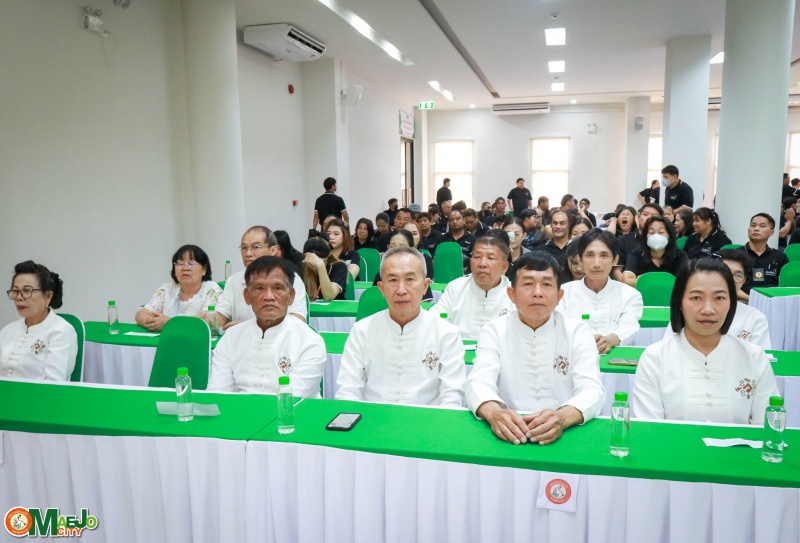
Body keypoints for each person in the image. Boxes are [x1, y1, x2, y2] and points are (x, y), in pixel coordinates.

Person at [465, 252, 605, 445]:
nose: (537, 292)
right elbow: (478, 382)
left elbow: (592, 389)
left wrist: (562, 418)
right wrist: (494, 413)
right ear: (512, 294)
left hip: (565, 434)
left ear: (559, 296)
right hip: (508, 432)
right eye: (528, 284)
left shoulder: (577, 332)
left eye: (547, 284)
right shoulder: (494, 331)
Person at [633, 257, 779, 424]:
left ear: (731, 302)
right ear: (679, 302)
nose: (708, 310)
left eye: (719, 298)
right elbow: (650, 429)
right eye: (696, 298)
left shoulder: (754, 357)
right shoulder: (654, 358)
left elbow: (768, 428)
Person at [336, 247, 466, 407]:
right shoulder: (362, 330)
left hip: (428, 419)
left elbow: (452, 397)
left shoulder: (447, 333)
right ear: (381, 288)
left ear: (425, 285)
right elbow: (348, 391)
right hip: (373, 419)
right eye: (393, 280)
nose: (401, 290)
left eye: (410, 279)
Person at [207, 257, 326, 396]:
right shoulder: (232, 337)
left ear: (291, 296)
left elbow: (291, 398)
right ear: (247, 296)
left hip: (292, 409)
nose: (269, 296)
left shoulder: (309, 341)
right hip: (238, 408)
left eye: (277, 288)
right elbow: (217, 393)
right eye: (260, 288)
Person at [663, 250, 771, 350]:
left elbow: (760, 357)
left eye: (738, 275)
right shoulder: (688, 311)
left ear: (744, 280)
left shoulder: (755, 318)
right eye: (726, 273)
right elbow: (668, 348)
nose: (731, 279)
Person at [559, 229, 644, 352]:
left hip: (615, 358)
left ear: (615, 260)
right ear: (580, 259)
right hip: (574, 354)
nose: (596, 264)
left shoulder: (630, 295)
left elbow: (630, 325)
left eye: (604, 256)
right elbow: (560, 326)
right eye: (590, 255)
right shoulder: (563, 293)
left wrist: (612, 339)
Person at [213, 227, 307, 330]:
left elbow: (298, 320)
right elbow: (220, 316)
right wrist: (206, 318)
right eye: (244, 248)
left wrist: (249, 329)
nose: (248, 253)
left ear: (273, 250)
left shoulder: (289, 278)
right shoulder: (233, 281)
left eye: (256, 247)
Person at [1, 261, 77, 380]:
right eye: (15, 291)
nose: (19, 297)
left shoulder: (61, 331)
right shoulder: (8, 330)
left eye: (27, 290)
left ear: (48, 296)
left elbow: (54, 383)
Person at [431, 237, 515, 340]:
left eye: (491, 258)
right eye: (477, 257)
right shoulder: (456, 287)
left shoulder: (514, 294)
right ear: (471, 263)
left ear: (504, 267)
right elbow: (435, 320)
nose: (482, 264)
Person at [136, 244, 222, 332]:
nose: (185, 268)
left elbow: (206, 320)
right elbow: (141, 314)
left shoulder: (212, 290)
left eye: (191, 263)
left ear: (204, 269)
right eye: (180, 263)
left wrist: (170, 323)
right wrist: (153, 323)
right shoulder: (167, 289)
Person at [622, 216, 688, 286]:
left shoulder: (680, 256)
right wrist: (669, 279)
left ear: (670, 236)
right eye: (651, 232)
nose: (656, 236)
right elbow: (627, 280)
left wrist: (644, 279)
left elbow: (685, 281)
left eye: (661, 232)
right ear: (645, 236)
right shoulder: (635, 255)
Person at [371, 229, 434, 299]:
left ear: (412, 249)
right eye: (392, 246)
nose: (396, 251)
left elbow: (426, 302)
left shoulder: (418, 276)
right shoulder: (381, 275)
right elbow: (374, 299)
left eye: (402, 247)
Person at [739, 213, 788, 301]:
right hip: (744, 300)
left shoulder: (780, 256)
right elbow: (729, 286)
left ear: (771, 232)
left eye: (762, 226)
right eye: (753, 225)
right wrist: (752, 300)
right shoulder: (736, 255)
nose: (756, 229)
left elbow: (785, 286)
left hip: (772, 301)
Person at [302, 236, 348, 301]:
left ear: (329, 256)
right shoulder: (301, 266)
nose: (314, 264)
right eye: (311, 261)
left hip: (334, 306)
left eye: (319, 260)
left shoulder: (339, 267)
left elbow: (329, 296)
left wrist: (321, 266)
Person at [541, 209, 571, 274]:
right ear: (551, 225)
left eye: (562, 223)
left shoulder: (575, 247)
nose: (558, 226)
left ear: (569, 225)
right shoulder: (541, 250)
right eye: (555, 223)